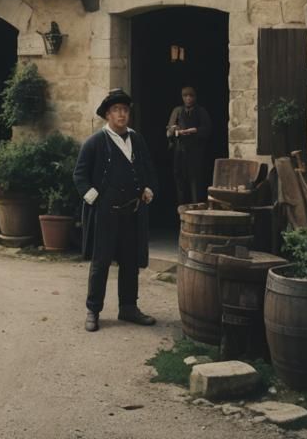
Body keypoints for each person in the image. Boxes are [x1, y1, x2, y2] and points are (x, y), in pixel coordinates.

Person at [73, 89, 157, 332]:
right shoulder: (95, 142)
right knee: (101, 263)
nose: (122, 114)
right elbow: (79, 175)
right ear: (108, 115)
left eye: (125, 110)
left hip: (132, 213)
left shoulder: (136, 140)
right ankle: (93, 310)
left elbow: (148, 169)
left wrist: (148, 188)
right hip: (105, 214)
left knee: (130, 262)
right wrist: (95, 199)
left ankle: (128, 307)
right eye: (116, 110)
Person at [166, 85, 213, 207]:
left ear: (195, 97)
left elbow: (207, 129)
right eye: (185, 96)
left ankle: (196, 209)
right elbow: (169, 130)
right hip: (180, 151)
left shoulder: (201, 111)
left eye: (191, 96)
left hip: (195, 152)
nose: (188, 98)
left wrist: (195, 130)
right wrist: (177, 131)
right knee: (180, 181)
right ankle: (181, 209)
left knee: (195, 181)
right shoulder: (177, 111)